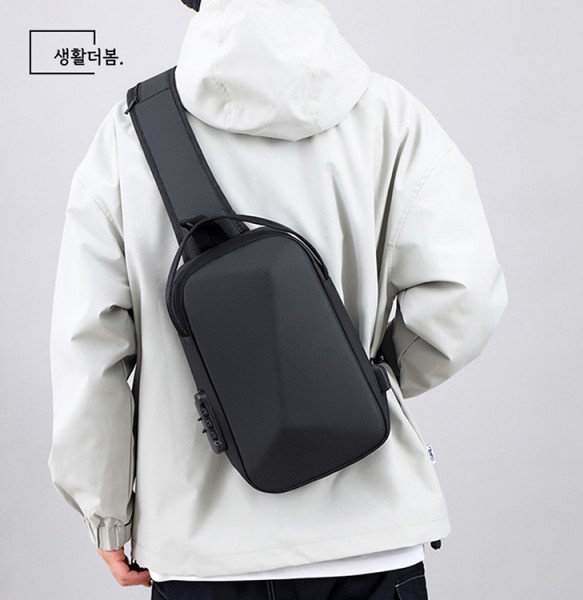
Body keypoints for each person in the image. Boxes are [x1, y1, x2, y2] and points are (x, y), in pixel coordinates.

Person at [48, 0, 508, 598]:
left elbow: (90, 347)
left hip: (203, 550)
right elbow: (464, 299)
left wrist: (105, 512)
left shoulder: (128, 135)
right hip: (369, 537)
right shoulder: (391, 117)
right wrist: (362, 383)